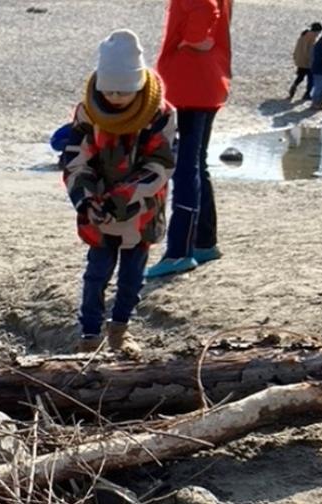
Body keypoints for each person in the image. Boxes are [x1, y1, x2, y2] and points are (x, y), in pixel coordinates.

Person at [59, 29, 176, 356]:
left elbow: (161, 163)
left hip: (141, 211)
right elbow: (75, 157)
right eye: (108, 89)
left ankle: (120, 330)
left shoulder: (160, 114)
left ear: (138, 85)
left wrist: (124, 197)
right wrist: (86, 199)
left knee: (131, 278)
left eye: (122, 91)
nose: (114, 97)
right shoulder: (88, 111)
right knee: (96, 275)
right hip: (98, 209)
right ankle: (90, 335)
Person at [146, 0, 232, 278]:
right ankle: (204, 242)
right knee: (196, 163)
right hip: (207, 82)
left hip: (188, 85)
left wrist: (192, 40)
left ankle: (179, 252)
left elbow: (204, 8)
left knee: (185, 167)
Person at [288, 23, 322, 101]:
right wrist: (313, 61)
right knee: (311, 78)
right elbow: (310, 51)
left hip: (300, 60)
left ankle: (294, 85)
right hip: (307, 62)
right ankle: (307, 94)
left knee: (300, 76)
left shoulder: (303, 35)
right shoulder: (312, 38)